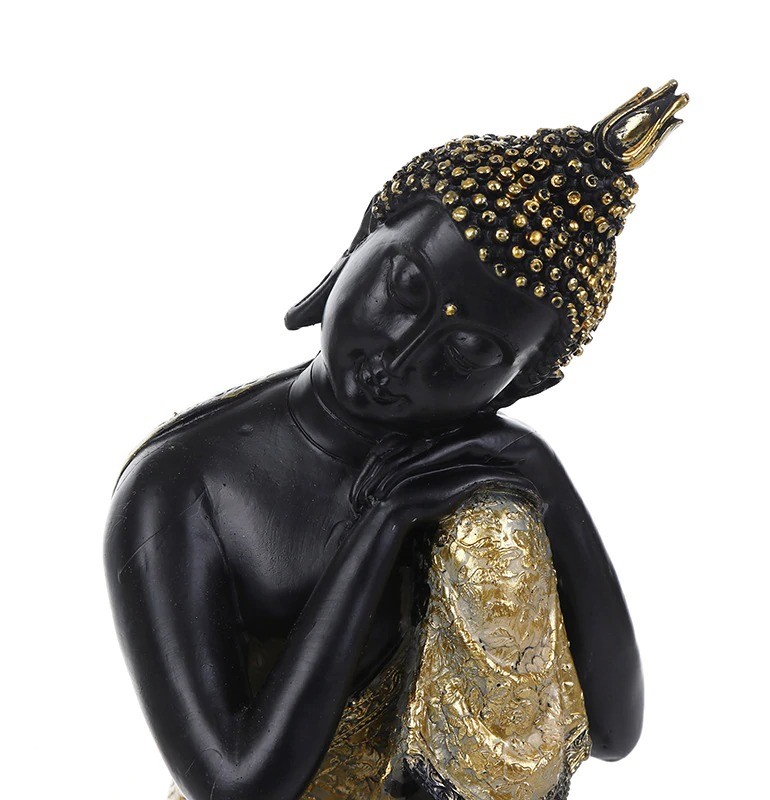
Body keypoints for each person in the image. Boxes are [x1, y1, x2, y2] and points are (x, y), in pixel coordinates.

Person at [105, 81, 688, 800]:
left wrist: (543, 474)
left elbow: (614, 732)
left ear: (514, 388)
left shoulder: (476, 481)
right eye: (405, 286)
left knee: (499, 528)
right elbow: (235, 786)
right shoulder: (183, 484)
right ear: (359, 242)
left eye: (468, 352)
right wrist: (383, 525)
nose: (398, 357)